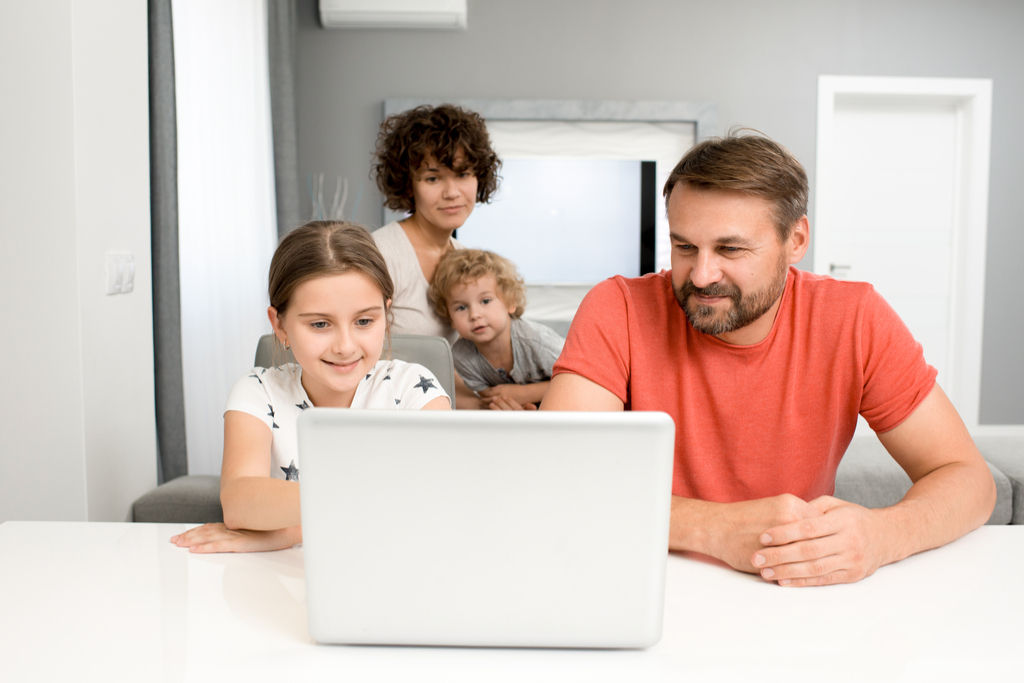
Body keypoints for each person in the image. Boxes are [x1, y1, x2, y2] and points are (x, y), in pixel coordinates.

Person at [541, 132, 996, 587]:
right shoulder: (617, 307)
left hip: (793, 593)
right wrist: (712, 528)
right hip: (641, 578)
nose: (701, 275)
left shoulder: (853, 318)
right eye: (684, 247)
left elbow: (968, 479)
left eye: (730, 249)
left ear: (795, 240)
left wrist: (883, 535)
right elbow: (553, 476)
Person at [171, 221, 450, 553]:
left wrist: (286, 532)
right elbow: (238, 502)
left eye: (364, 321)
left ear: (386, 315)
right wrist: (374, 496)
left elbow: (430, 507)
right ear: (280, 324)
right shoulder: (257, 391)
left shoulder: (415, 390)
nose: (345, 346)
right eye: (320, 324)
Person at [371, 104, 502, 409]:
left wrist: (492, 404)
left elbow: (443, 369)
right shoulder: (380, 255)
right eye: (433, 178)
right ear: (408, 184)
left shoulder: (465, 261)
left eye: (463, 174)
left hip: (434, 413)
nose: (452, 192)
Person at [428, 249, 564, 410]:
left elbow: (579, 379)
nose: (474, 314)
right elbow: (490, 397)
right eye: (462, 307)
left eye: (485, 301)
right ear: (450, 318)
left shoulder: (537, 340)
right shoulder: (461, 356)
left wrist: (526, 393)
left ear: (510, 302)